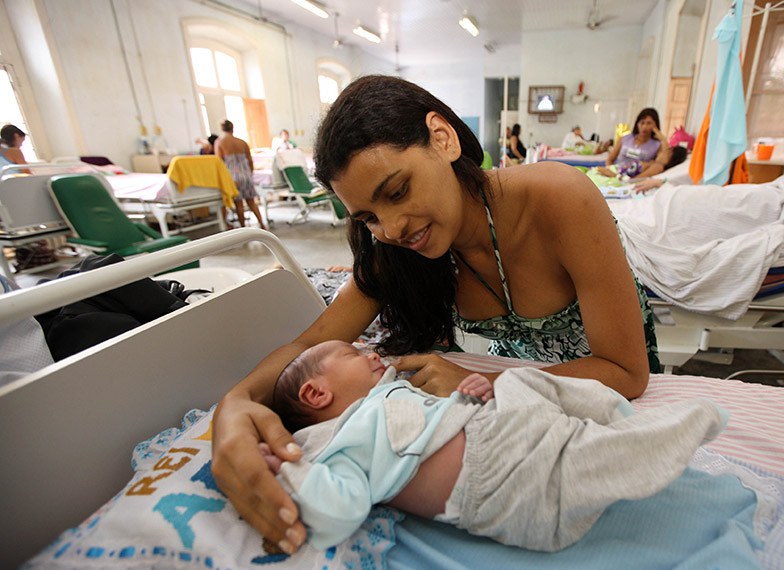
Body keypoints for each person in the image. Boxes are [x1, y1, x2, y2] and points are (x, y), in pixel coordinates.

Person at [211, 75, 661, 553]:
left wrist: (486, 381)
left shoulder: (558, 198)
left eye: (398, 191)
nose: (392, 228)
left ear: (442, 139)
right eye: (367, 217)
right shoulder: (399, 253)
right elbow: (307, 346)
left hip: (603, 376)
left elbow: (626, 372)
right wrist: (234, 407)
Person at [267, 340, 725, 552]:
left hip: (495, 439)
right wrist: (290, 471)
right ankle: (646, 445)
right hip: (499, 484)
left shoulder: (384, 398)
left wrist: (468, 397)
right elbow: (334, 516)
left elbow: (426, 428)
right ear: (315, 394)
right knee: (572, 456)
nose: (371, 353)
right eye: (352, 354)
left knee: (522, 380)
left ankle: (617, 421)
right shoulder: (336, 446)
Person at [215, 120, 267, 230]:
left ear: (222, 129)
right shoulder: (242, 142)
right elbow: (250, 161)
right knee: (251, 202)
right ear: (232, 128)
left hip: (233, 177)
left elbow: (219, 163)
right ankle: (262, 224)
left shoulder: (220, 142)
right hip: (246, 175)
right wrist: (249, 174)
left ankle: (243, 228)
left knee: (239, 204)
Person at [604, 108, 668, 178]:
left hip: (637, 176)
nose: (644, 127)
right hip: (616, 173)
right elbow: (610, 160)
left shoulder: (657, 144)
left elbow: (662, 162)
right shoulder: (625, 138)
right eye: (642, 123)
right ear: (637, 124)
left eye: (649, 123)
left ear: (655, 125)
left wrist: (663, 139)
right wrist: (610, 170)